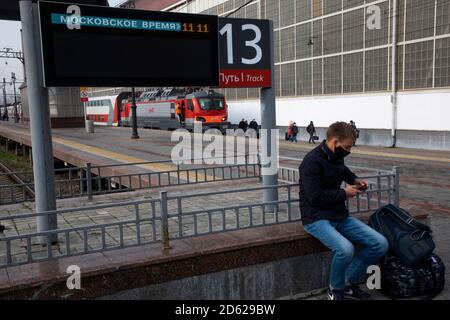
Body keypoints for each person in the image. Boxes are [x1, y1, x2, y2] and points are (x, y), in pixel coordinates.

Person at [299, 122, 388, 300]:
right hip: (316, 218)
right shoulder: (311, 162)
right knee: (345, 250)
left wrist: (356, 180)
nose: (348, 151)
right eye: (347, 147)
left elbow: (343, 171)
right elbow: (314, 197)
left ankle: (348, 283)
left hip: (340, 216)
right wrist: (344, 193)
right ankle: (335, 289)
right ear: (334, 142)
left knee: (380, 243)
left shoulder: (336, 156)